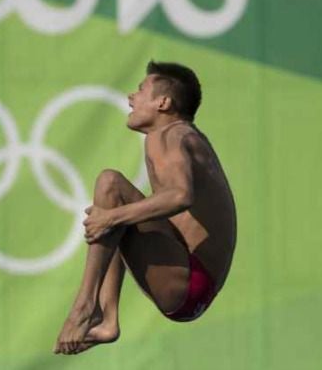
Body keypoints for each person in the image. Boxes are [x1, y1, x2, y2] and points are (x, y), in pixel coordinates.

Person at [53, 61, 237, 355]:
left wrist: (109, 217)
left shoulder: (168, 135)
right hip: (196, 280)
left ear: (163, 102)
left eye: (140, 91)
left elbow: (180, 196)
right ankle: (107, 317)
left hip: (190, 281)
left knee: (110, 185)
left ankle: (85, 306)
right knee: (113, 199)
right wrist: (112, 217)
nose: (130, 98)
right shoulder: (187, 136)